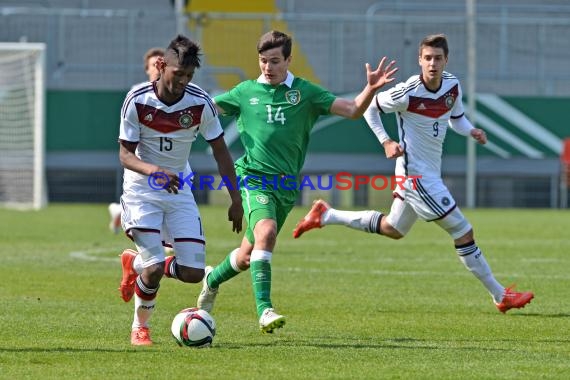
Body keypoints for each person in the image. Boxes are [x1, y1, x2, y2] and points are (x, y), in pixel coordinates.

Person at [293, 33, 534, 314]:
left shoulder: (452, 85)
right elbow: (371, 108)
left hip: (429, 173)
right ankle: (500, 294)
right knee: (463, 231)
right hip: (417, 177)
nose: (433, 63)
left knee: (393, 229)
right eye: (428, 58)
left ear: (446, 60)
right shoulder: (407, 92)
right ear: (419, 60)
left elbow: (455, 118)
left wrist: (472, 131)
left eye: (438, 58)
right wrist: (385, 141)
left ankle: (326, 215)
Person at [195, 30, 397, 334]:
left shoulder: (306, 93)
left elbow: (354, 110)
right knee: (267, 231)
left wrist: (368, 89)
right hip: (253, 179)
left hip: (286, 188)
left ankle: (211, 280)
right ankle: (264, 311)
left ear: (289, 60)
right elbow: (205, 109)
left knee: (248, 255)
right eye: (263, 61)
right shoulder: (244, 92)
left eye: (275, 61)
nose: (268, 67)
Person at [117, 35, 243, 346]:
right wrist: (155, 171)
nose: (183, 81)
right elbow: (125, 155)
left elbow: (221, 152)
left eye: (189, 76)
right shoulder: (137, 100)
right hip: (141, 191)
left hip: (178, 190)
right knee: (156, 267)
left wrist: (236, 198)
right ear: (161, 66)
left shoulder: (200, 103)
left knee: (193, 272)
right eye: (178, 74)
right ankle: (140, 328)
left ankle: (134, 263)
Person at [109, 47, 166, 234]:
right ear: (147, 69)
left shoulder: (178, 95)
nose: (158, 67)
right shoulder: (137, 95)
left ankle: (118, 210)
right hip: (143, 166)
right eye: (153, 64)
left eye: (161, 63)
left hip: (170, 162)